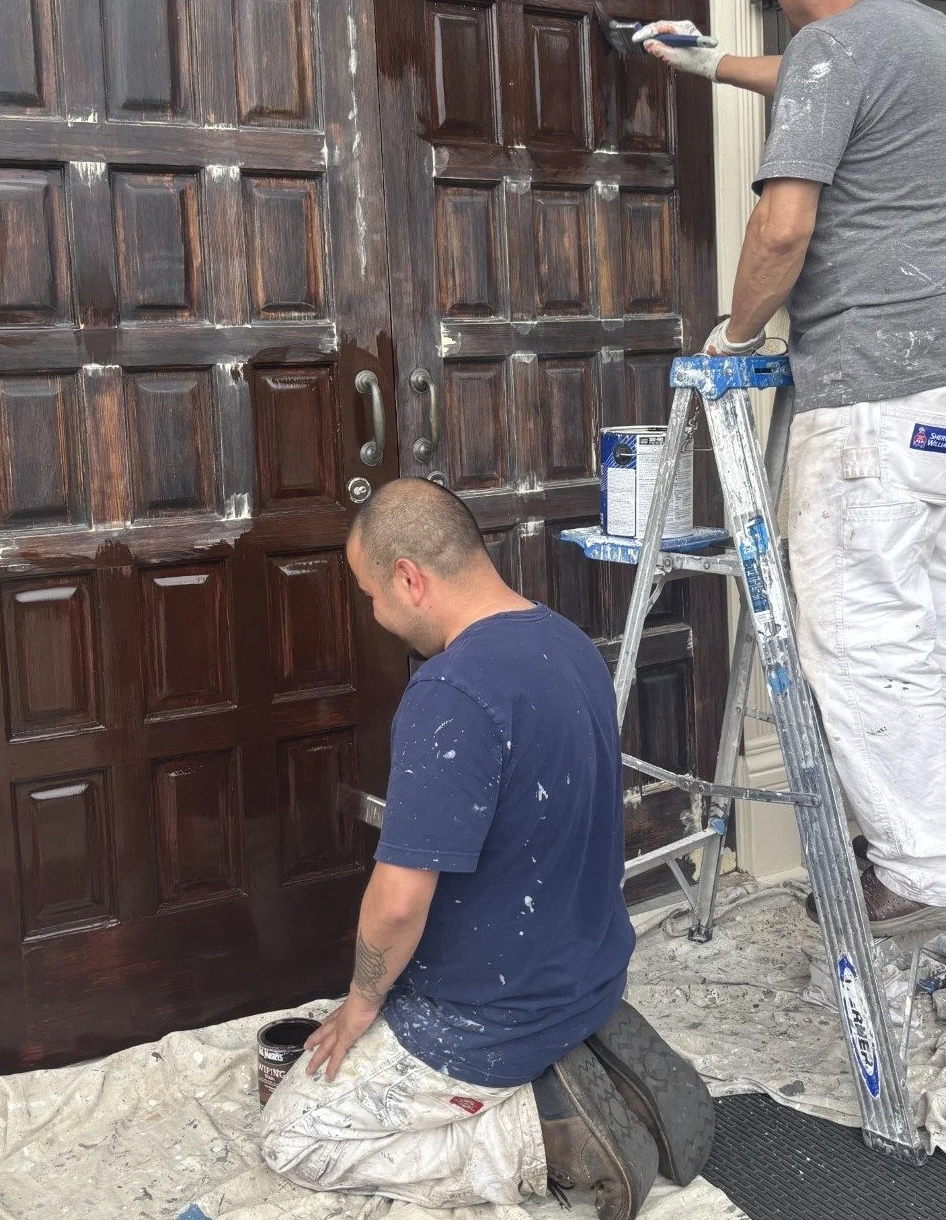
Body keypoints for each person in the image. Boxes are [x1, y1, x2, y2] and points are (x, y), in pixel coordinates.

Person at [637, 0, 946, 937]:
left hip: (882, 393)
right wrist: (715, 63)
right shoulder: (934, 40)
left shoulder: (831, 49)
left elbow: (784, 229)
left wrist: (735, 334)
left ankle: (927, 873)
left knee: (858, 633)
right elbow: (820, 78)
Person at [261, 479, 713, 1220]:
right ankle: (572, 1057)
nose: (375, 613)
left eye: (372, 593)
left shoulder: (453, 692)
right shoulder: (566, 641)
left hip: (494, 1015)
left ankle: (541, 1136)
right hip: (591, 973)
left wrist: (362, 999)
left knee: (296, 1136)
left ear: (410, 577)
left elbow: (401, 899)